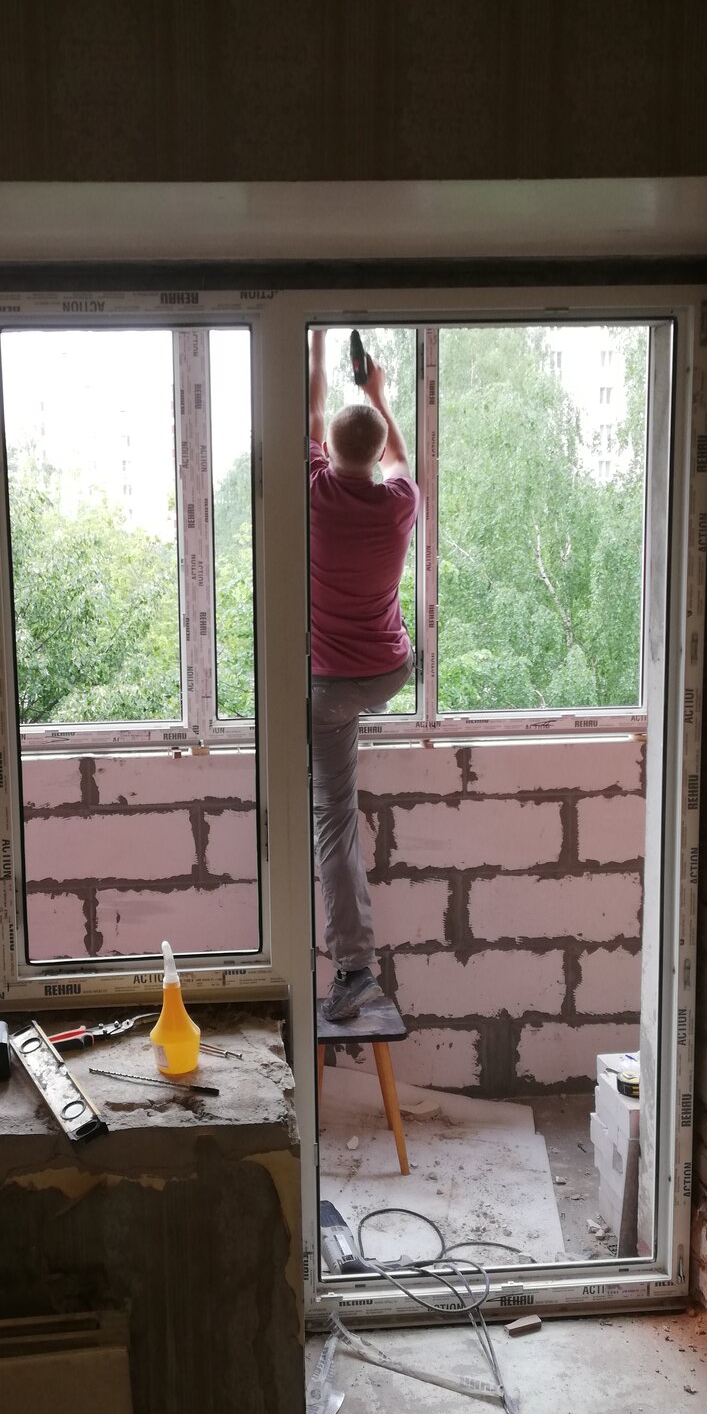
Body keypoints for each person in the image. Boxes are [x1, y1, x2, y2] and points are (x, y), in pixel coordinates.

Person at [309, 328, 420, 1021]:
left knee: (335, 820)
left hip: (327, 688)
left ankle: (354, 968)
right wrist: (378, 394)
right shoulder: (399, 502)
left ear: (326, 449)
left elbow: (311, 409)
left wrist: (317, 339)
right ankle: (353, 973)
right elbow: (400, 456)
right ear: (375, 454)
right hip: (387, 672)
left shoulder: (311, 492)